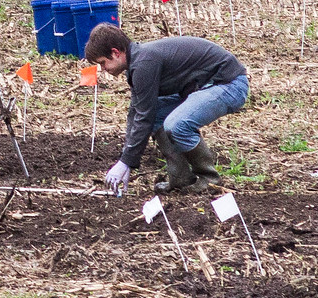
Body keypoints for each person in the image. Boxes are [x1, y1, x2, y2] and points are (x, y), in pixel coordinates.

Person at [87, 24, 248, 193]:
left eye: (103, 63)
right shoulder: (137, 65)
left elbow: (144, 117)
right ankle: (181, 178)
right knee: (157, 114)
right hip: (202, 86)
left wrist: (126, 162)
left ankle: (209, 179)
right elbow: (136, 113)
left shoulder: (144, 63)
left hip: (229, 84)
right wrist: (125, 160)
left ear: (115, 53)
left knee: (176, 124)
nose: (103, 69)